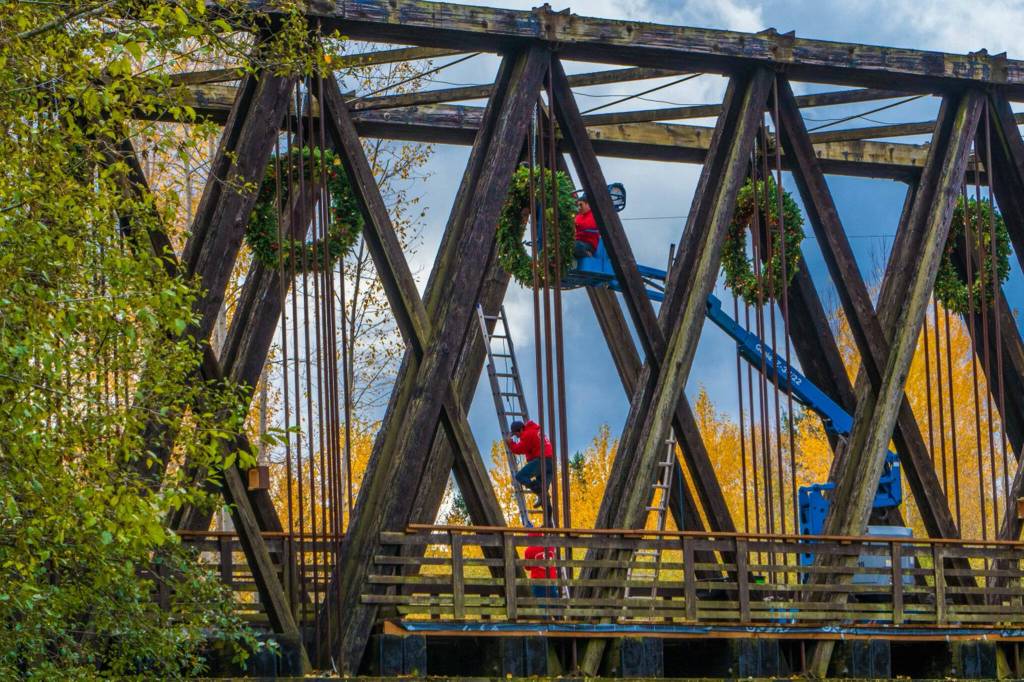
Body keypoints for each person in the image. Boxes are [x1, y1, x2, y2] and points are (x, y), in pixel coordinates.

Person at [508, 419, 554, 511]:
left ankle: (539, 494)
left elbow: (518, 449)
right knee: (543, 489)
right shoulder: (535, 430)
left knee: (520, 476)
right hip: (550, 463)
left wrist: (510, 443)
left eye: (517, 434)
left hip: (542, 461)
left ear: (521, 429)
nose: (517, 437)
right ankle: (548, 517)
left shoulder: (527, 434)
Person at [524, 532, 559, 601]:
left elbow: (527, 567)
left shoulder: (529, 550)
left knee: (539, 601)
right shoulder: (550, 547)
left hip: (538, 580)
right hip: (552, 578)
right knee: (553, 599)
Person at [573, 193, 599, 259]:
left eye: (581, 205)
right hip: (578, 241)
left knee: (576, 245)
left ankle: (588, 256)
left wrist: (577, 228)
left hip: (589, 244)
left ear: (588, 204)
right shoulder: (578, 216)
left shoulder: (594, 215)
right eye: (578, 205)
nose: (579, 208)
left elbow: (588, 227)